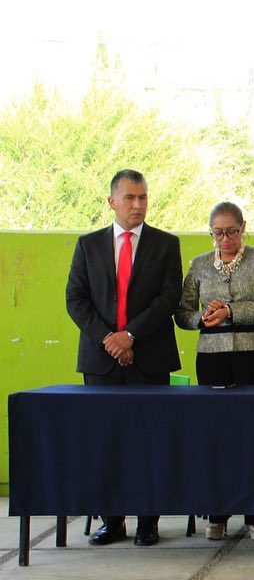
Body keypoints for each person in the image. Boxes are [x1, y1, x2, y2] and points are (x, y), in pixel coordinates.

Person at [65, 169, 182, 547]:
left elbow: (168, 299)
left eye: (143, 197)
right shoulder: (89, 245)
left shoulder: (166, 244)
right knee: (106, 442)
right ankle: (111, 521)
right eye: (130, 198)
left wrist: (130, 335)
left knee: (149, 442)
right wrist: (109, 339)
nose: (138, 205)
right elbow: (76, 300)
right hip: (101, 362)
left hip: (150, 359)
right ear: (112, 201)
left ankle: (148, 521)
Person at [175, 202, 254, 541]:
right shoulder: (199, 265)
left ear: (243, 228)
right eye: (218, 233)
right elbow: (183, 312)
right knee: (215, 437)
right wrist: (203, 318)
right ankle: (216, 513)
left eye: (231, 231)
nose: (225, 239)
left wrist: (230, 310)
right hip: (212, 357)